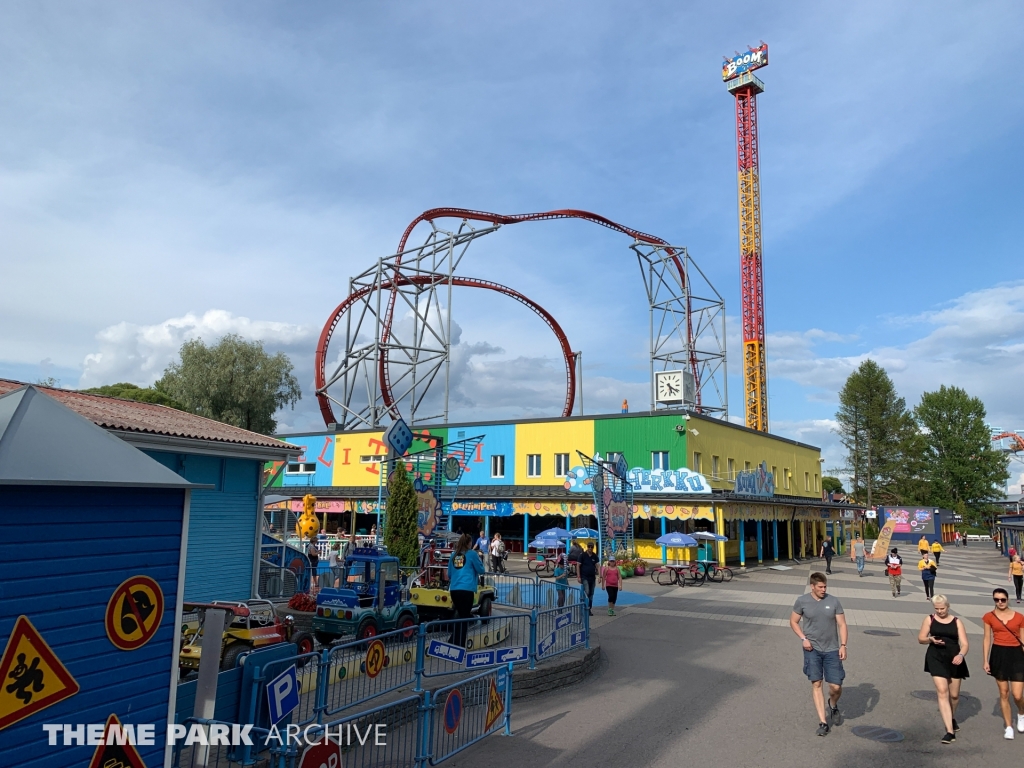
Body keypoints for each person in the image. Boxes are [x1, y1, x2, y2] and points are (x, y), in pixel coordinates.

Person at [789, 572, 848, 737]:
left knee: (835, 686)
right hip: (811, 649)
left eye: (825, 586)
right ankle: (823, 722)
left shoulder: (833, 601)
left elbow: (842, 624)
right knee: (816, 684)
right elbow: (793, 621)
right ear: (812, 586)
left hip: (832, 649)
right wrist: (803, 638)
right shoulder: (802, 601)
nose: (823, 589)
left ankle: (833, 704)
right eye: (820, 587)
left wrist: (843, 645)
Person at [918, 595, 969, 743]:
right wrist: (930, 639)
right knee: (942, 691)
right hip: (935, 657)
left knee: (954, 696)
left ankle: (951, 717)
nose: (940, 611)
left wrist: (960, 655)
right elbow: (921, 638)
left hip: (954, 658)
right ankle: (949, 731)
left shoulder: (957, 622)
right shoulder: (929, 619)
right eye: (937, 609)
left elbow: (965, 644)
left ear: (948, 606)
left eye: (942, 608)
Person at [983, 587, 1024, 739]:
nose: (999, 602)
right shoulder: (989, 616)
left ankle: (1021, 713)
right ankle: (1008, 726)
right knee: (1003, 692)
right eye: (996, 599)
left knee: (1018, 695)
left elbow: (1023, 639)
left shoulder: (1019, 617)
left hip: (1017, 655)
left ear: (1008, 599)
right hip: (999, 654)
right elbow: (987, 638)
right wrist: (985, 660)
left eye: (1002, 599)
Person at [447, 533, 484, 647]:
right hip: (466, 590)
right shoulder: (472, 554)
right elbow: (481, 570)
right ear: (469, 543)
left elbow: (449, 574)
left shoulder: (454, 555)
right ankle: (459, 646)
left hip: (454, 590)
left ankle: (452, 641)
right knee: (464, 618)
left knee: (461, 616)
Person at [578, 543, 599, 616]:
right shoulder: (582, 555)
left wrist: (600, 576)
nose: (590, 548)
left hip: (592, 577)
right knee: (587, 592)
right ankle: (584, 606)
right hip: (584, 576)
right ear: (587, 547)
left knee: (591, 594)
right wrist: (578, 576)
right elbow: (578, 565)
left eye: (592, 547)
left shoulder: (594, 556)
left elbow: (597, 566)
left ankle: (589, 608)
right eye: (589, 546)